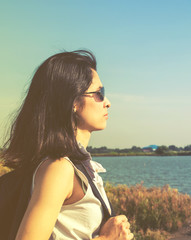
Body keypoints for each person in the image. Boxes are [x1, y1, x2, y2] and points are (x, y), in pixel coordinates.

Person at [1, 50, 133, 240]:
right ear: (73, 102)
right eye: (99, 93)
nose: (107, 102)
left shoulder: (78, 166)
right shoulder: (59, 168)